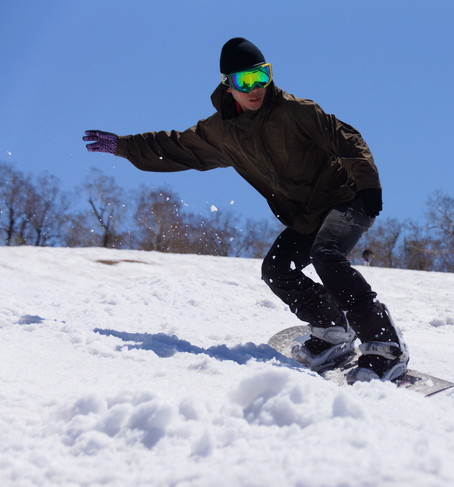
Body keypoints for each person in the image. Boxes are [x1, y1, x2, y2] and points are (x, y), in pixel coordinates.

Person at [83, 37, 408, 382]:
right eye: (244, 81)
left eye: (261, 77)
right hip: (305, 216)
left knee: (326, 253)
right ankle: (333, 331)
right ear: (227, 84)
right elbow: (175, 146)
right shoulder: (222, 133)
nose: (255, 89)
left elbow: (348, 139)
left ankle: (385, 344)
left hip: (346, 199)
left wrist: (368, 186)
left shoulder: (296, 111)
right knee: (277, 269)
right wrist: (123, 146)